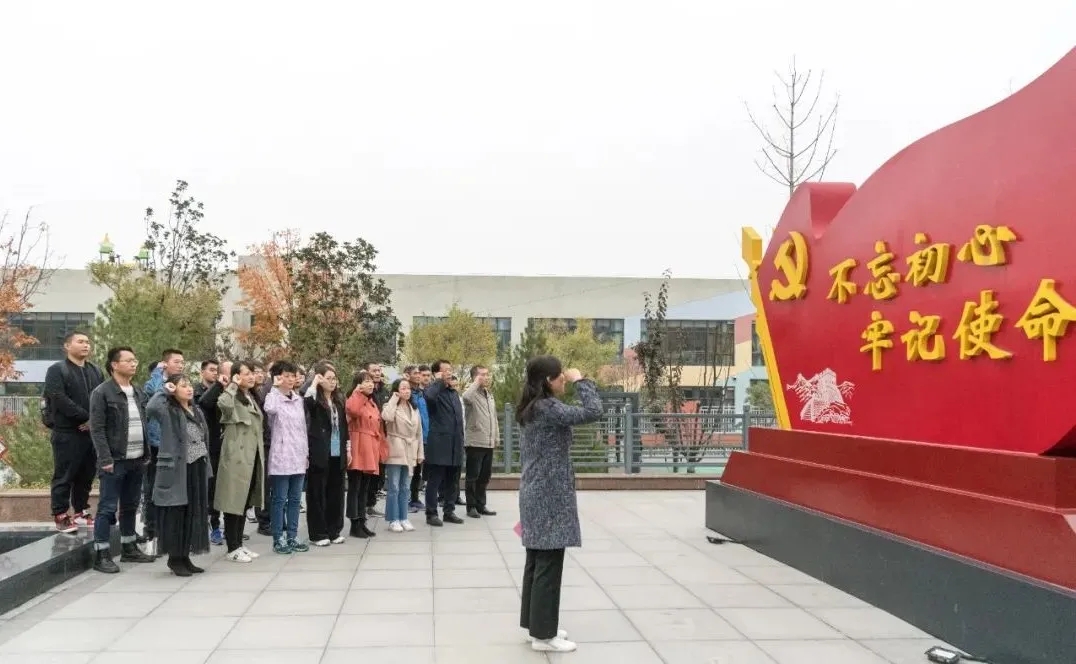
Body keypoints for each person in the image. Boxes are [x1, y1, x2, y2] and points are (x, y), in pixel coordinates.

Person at [516, 356, 603, 653]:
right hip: (548, 494)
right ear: (547, 381)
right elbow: (593, 411)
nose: (564, 378)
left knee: (537, 561)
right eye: (560, 376)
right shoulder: (547, 408)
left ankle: (536, 625)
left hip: (536, 490)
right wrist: (582, 381)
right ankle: (544, 636)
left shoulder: (533, 407)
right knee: (549, 566)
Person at [87, 346, 155, 572]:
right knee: (107, 508)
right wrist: (105, 458)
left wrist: (146, 454)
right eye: (128, 360)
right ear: (114, 365)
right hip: (114, 460)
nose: (134, 364)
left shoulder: (137, 391)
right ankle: (102, 554)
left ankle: (129, 548)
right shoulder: (102, 393)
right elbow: (97, 429)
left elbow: (144, 423)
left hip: (137, 459)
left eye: (135, 360)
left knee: (130, 506)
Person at [146, 373, 213, 577]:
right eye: (183, 386)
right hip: (177, 469)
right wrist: (164, 389)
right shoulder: (168, 410)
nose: (189, 388)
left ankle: (185, 556)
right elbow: (151, 408)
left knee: (193, 512)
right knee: (177, 513)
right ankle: (174, 559)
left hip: (196, 467)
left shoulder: (196, 410)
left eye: (189, 384)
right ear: (174, 390)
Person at [44, 330, 104, 533]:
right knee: (64, 475)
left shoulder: (95, 370)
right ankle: (60, 514)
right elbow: (58, 398)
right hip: (67, 432)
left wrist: (93, 421)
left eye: (87, 342)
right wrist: (85, 417)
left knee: (86, 475)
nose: (86, 345)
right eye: (80, 341)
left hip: (90, 433)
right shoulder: (57, 369)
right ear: (67, 346)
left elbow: (102, 398)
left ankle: (80, 511)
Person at [215, 361, 265, 563]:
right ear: (236, 376)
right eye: (246, 373)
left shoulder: (250, 396)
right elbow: (224, 406)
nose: (251, 376)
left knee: (243, 502)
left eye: (252, 373)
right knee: (232, 502)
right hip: (236, 457)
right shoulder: (231, 395)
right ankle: (232, 547)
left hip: (251, 456)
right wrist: (232, 386)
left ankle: (239, 544)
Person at [263, 360, 310, 554]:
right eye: (287, 376)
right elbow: (270, 410)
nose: (291, 379)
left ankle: (292, 536)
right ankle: (278, 538)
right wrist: (274, 388)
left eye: (293, 376)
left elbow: (302, 429)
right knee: (279, 499)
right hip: (281, 456)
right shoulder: (272, 397)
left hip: (298, 455)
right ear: (277, 377)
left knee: (295, 499)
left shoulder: (298, 399)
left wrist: (306, 453)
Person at [141, 348, 186, 544]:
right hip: (157, 443)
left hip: (176, 443)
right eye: (176, 362)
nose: (180, 365)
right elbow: (155, 394)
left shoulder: (182, 383)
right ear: (165, 363)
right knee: (153, 487)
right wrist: (158, 372)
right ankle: (152, 529)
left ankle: (171, 529)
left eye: (182, 362)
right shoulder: (155, 382)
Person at [304, 363, 348, 546]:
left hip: (337, 450)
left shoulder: (338, 401)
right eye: (328, 378)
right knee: (317, 493)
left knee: (336, 492)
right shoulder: (315, 400)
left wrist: (348, 449)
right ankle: (318, 533)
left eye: (334, 378)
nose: (332, 382)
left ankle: (334, 530)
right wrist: (314, 382)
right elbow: (307, 402)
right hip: (319, 450)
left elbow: (344, 427)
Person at [423, 360, 465, 527]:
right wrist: (439, 381)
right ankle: (431, 513)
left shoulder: (453, 393)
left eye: (450, 369)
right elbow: (429, 397)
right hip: (440, 444)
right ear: (437, 373)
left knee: (452, 481)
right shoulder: (434, 391)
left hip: (455, 444)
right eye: (445, 370)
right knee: (435, 481)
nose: (449, 372)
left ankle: (449, 511)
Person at [195, 358, 231, 546]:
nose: (215, 373)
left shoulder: (225, 390)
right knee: (209, 489)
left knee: (221, 488)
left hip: (223, 446)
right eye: (211, 370)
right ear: (202, 371)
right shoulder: (197, 391)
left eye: (217, 370)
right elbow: (205, 403)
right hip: (206, 447)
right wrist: (218, 386)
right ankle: (212, 526)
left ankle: (225, 526)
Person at [345, 370, 384, 538]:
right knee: (355, 486)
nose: (370, 384)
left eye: (371, 381)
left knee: (365, 487)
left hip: (371, 447)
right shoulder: (354, 398)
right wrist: (357, 393)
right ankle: (354, 523)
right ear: (358, 384)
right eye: (366, 381)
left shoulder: (372, 402)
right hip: (358, 445)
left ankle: (362, 520)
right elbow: (353, 410)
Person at [381, 378, 423, 533]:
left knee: (406, 487)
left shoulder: (414, 408)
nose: (407, 391)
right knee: (394, 486)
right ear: (396, 390)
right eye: (403, 388)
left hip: (411, 449)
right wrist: (394, 399)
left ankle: (404, 517)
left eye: (408, 388)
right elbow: (386, 417)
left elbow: (419, 433)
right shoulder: (390, 405)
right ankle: (393, 519)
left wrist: (420, 453)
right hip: (395, 448)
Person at [462, 364, 499, 518]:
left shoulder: (488, 394)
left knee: (484, 476)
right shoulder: (471, 393)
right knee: (473, 476)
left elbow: (493, 418)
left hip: (488, 442)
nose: (486, 377)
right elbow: (465, 397)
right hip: (475, 442)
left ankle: (480, 504)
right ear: (474, 377)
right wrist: (476, 383)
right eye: (482, 375)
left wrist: (496, 438)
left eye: (487, 374)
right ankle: (471, 506)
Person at [406, 365, 430, 513]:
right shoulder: (406, 392)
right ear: (408, 375)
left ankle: (414, 499)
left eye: (419, 373)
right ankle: (407, 500)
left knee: (417, 471)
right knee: (410, 470)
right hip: (410, 437)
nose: (418, 375)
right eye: (415, 373)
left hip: (423, 436)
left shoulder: (421, 393)